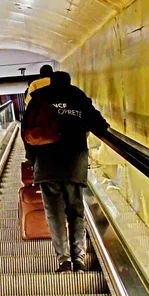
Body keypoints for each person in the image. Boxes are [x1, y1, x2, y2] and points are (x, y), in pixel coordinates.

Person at [23, 71, 109, 273]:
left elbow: (26, 130)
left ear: (51, 81)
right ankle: (79, 260)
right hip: (74, 163)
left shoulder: (39, 98)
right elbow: (99, 125)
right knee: (76, 212)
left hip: (47, 164)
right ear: (69, 82)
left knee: (54, 215)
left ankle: (64, 261)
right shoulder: (77, 96)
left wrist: (31, 158)